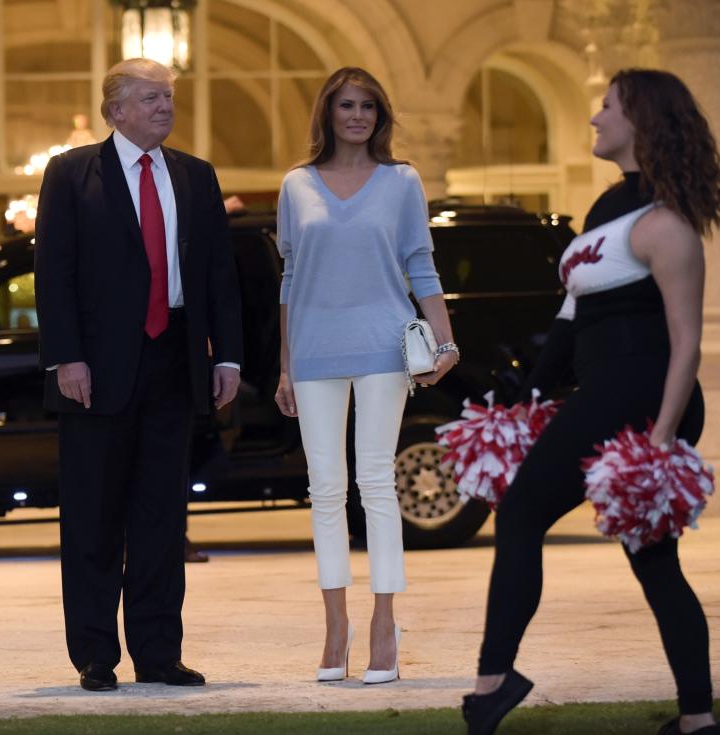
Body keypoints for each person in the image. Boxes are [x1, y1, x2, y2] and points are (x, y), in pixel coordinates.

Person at [461, 69, 720, 735]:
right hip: (604, 389)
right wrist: (527, 393)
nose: (594, 118)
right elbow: (569, 316)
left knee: (521, 513)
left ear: (639, 119)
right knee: (653, 561)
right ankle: (697, 719)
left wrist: (663, 436)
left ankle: (492, 683)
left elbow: (686, 343)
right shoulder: (605, 208)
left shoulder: (665, 223)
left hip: (640, 393)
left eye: (606, 106)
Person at [34, 57, 242, 692]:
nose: (164, 107)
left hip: (174, 364)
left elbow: (218, 275)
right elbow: (55, 273)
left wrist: (226, 355)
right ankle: (96, 656)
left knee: (160, 519)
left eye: (168, 97)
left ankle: (159, 653)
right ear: (115, 111)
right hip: (94, 370)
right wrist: (66, 356)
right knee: (94, 520)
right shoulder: (71, 174)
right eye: (150, 98)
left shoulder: (196, 176)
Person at [274, 67, 457, 685]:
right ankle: (335, 626)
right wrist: (286, 367)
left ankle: (384, 624)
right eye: (347, 105)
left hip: (384, 345)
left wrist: (446, 341)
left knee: (376, 484)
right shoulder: (295, 185)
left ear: (380, 117)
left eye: (369, 107)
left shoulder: (402, 182)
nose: (357, 116)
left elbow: (421, 266)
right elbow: (290, 280)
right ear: (327, 112)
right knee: (325, 489)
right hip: (315, 350)